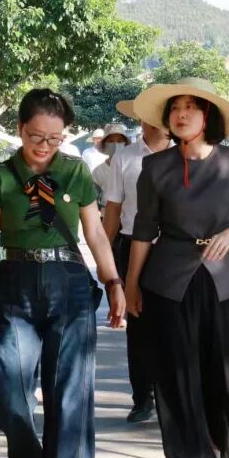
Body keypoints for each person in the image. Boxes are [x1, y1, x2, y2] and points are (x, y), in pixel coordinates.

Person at [0, 88, 126, 458]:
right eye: (36, 136)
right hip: (16, 283)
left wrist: (113, 282)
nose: (44, 145)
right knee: (10, 393)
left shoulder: (74, 172)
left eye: (54, 139)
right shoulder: (0, 176)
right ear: (20, 129)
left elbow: (95, 234)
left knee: (70, 396)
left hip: (69, 283)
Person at [123, 78, 229, 458]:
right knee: (177, 382)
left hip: (223, 283)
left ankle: (217, 445)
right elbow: (144, 230)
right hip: (168, 282)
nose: (181, 114)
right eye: (175, 107)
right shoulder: (155, 167)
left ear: (208, 116)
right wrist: (131, 284)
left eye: (191, 107)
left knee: (227, 380)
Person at [102, 101, 171, 423]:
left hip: (174, 250)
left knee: (173, 325)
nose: (152, 122)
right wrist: (105, 257)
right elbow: (113, 210)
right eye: (147, 116)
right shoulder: (125, 158)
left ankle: (171, 396)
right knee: (139, 325)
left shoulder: (187, 155)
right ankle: (143, 397)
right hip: (133, 246)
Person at [91, 123, 130, 206]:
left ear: (125, 144)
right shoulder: (98, 171)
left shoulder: (132, 167)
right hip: (106, 211)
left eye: (119, 141)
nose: (115, 144)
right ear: (104, 144)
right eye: (111, 141)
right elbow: (92, 199)